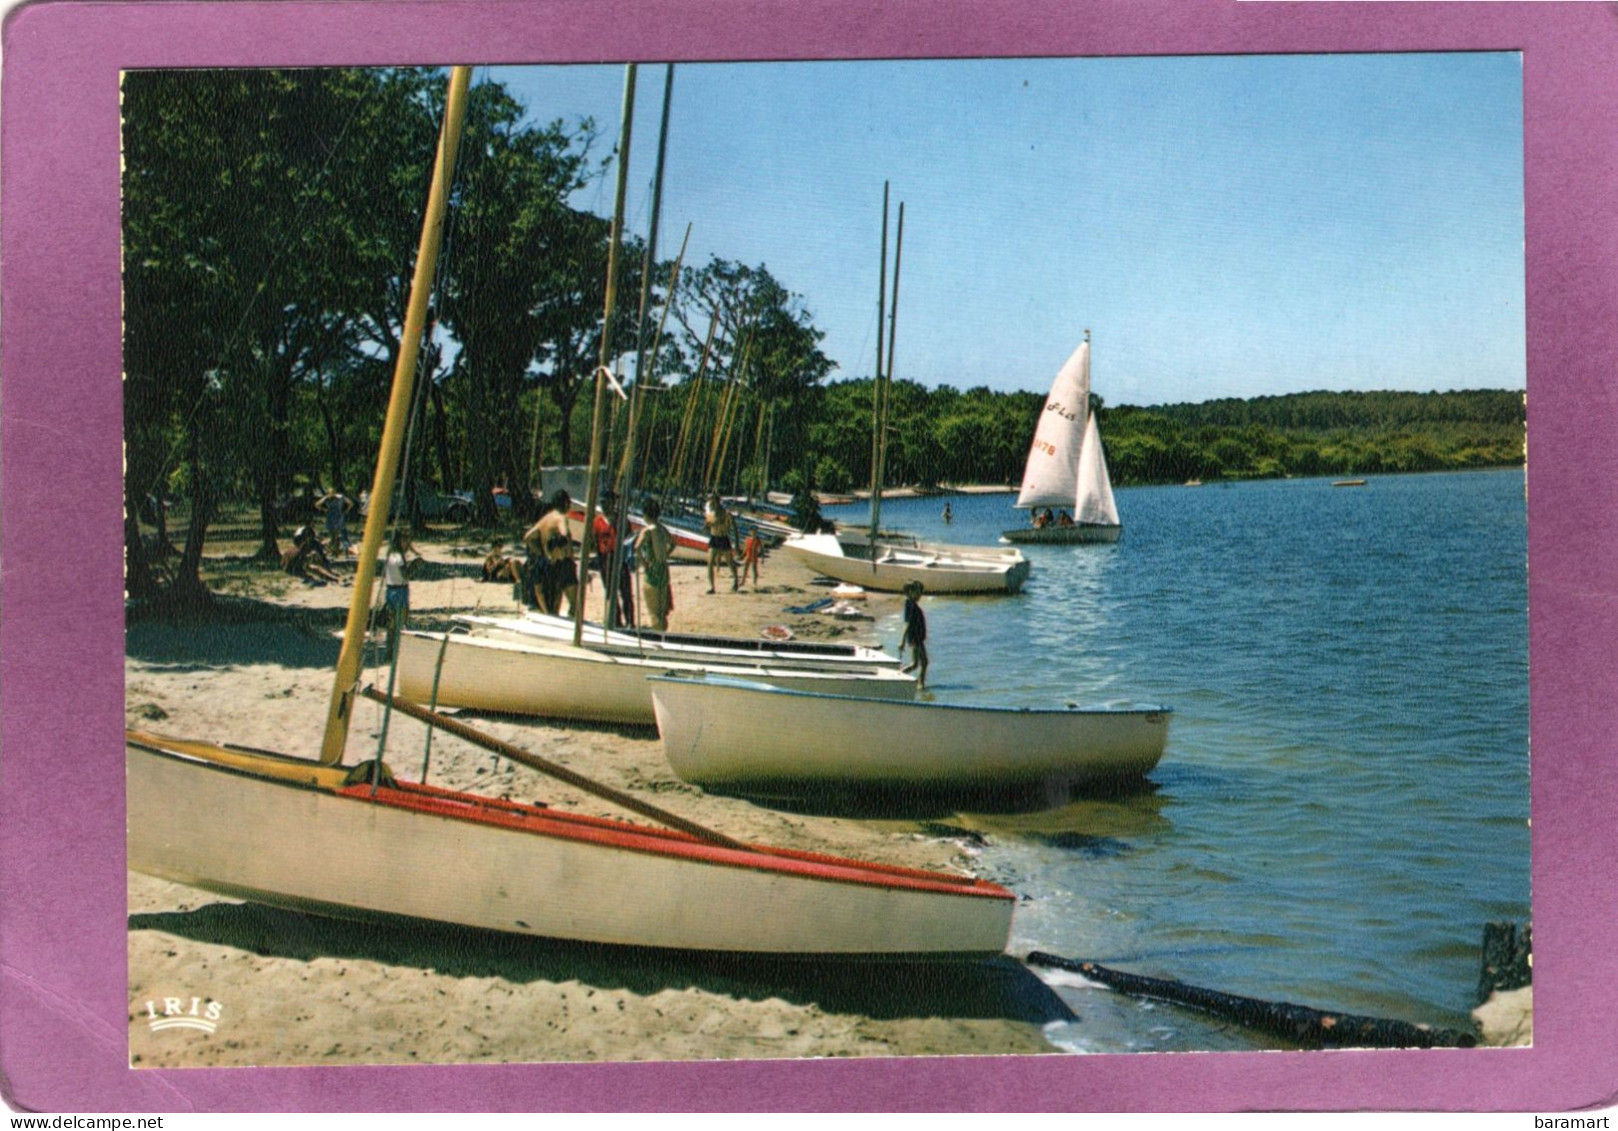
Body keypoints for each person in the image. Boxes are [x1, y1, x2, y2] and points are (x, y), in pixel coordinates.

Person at [523, 490, 577, 616]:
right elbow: (564, 535)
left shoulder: (545, 519)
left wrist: (541, 551)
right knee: (575, 604)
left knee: (553, 604)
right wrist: (558, 548)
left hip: (547, 564)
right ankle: (573, 627)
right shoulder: (561, 518)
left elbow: (528, 537)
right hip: (563, 563)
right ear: (565, 503)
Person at [592, 491, 635, 628]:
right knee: (610, 591)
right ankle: (616, 620)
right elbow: (594, 541)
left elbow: (629, 540)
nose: (605, 506)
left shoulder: (621, 520)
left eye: (607, 503)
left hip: (620, 558)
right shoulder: (597, 521)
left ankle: (629, 621)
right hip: (605, 559)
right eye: (602, 503)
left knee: (625, 591)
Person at [636, 497, 676, 632]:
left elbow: (637, 548)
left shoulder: (647, 530)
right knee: (662, 612)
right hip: (664, 568)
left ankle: (658, 639)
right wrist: (665, 554)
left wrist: (644, 563)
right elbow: (673, 544)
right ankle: (663, 636)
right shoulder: (662, 528)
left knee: (653, 612)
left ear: (646, 514)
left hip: (652, 569)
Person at [379, 530, 420, 632]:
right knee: (402, 618)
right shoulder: (399, 558)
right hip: (400, 589)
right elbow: (405, 575)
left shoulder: (390, 555)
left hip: (390, 589)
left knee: (392, 620)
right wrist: (415, 566)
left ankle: (391, 639)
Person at [704, 493, 739, 593]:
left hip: (723, 538)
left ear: (717, 502)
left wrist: (736, 544)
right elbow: (707, 527)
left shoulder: (726, 514)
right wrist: (708, 526)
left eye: (712, 501)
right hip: (714, 538)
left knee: (730, 562)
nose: (711, 503)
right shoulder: (711, 514)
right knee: (710, 563)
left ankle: (736, 582)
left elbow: (734, 528)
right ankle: (712, 587)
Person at [899, 579, 929, 689]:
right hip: (915, 638)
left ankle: (902, 676)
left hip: (917, 638)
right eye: (919, 592)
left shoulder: (911, 604)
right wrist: (902, 641)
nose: (920, 595)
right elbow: (907, 623)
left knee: (916, 663)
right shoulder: (910, 605)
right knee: (923, 662)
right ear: (911, 592)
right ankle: (920, 684)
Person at [317, 490, 352, 556]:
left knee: (335, 535)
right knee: (334, 535)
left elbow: (350, 503)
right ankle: (334, 551)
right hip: (334, 516)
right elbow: (317, 504)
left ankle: (334, 551)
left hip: (336, 517)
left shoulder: (339, 497)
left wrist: (346, 510)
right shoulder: (329, 498)